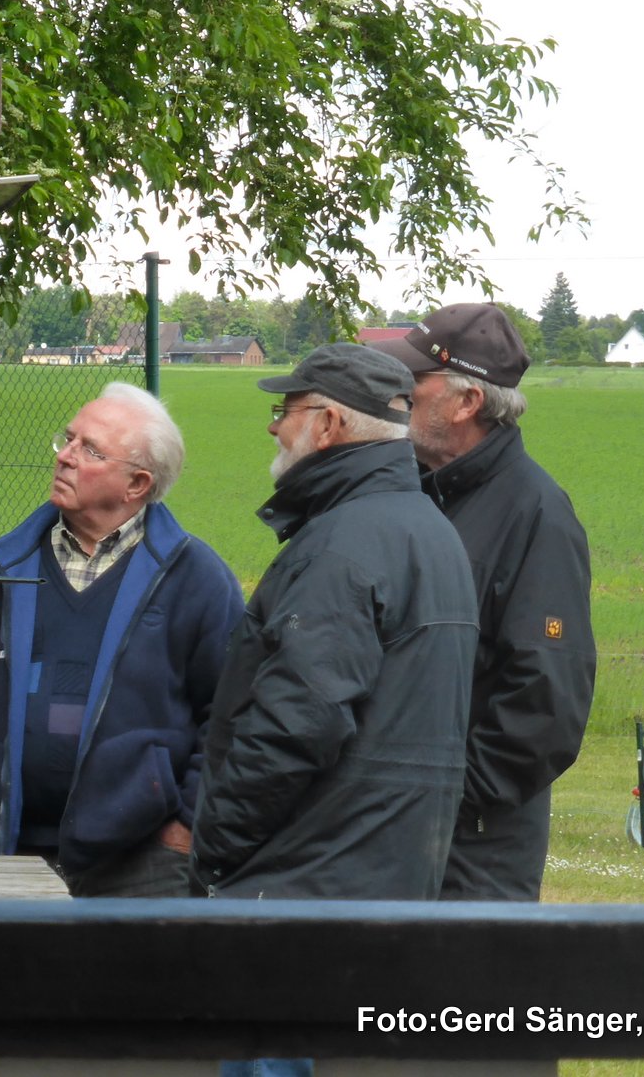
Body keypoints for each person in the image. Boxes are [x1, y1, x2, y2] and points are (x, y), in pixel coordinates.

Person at [0, 382, 244, 898]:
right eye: (67, 440)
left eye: (89, 450)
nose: (65, 458)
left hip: (141, 865)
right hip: (5, 851)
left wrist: (185, 828)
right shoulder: (3, 567)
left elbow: (230, 714)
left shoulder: (197, 580)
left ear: (137, 484)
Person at [191, 343, 478, 900]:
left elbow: (296, 725)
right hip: (387, 873)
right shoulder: (432, 530)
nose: (273, 430)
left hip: (309, 881)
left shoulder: (341, 548)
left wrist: (217, 848)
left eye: (285, 412)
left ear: (327, 424)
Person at [372, 303, 597, 900]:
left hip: (472, 851)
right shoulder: (418, 494)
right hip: (393, 830)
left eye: (413, 381)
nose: (398, 395)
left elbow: (546, 702)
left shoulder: (537, 514)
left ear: (467, 401)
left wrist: (448, 798)